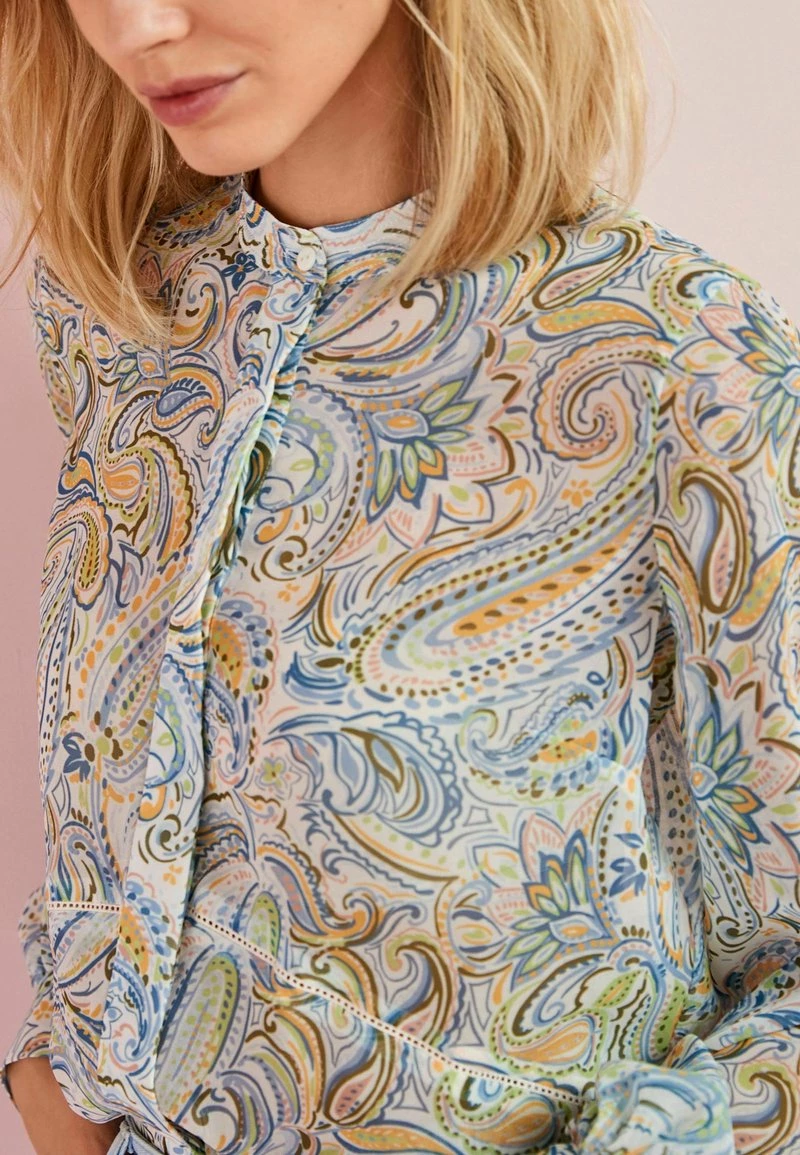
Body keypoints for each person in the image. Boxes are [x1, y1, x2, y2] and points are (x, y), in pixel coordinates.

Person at [1, 0, 799, 1153]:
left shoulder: (677, 361)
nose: (134, 24)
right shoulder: (119, 312)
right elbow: (130, 806)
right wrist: (58, 1069)